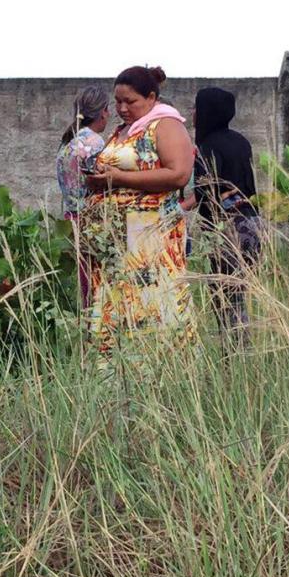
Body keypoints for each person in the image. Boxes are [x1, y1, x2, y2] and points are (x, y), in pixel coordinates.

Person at [82, 66, 195, 360]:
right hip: (116, 242)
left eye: (130, 102)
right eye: (118, 102)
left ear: (152, 97)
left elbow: (179, 174)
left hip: (149, 234)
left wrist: (117, 179)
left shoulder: (165, 125)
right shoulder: (123, 130)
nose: (122, 108)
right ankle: (117, 377)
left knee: (150, 303)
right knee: (117, 303)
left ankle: (158, 375)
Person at [186, 87, 262, 330]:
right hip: (252, 224)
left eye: (197, 107)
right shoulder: (241, 141)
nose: (193, 113)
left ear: (208, 111)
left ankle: (234, 357)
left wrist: (177, 208)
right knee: (239, 295)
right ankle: (240, 355)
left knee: (225, 299)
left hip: (225, 230)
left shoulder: (206, 146)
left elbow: (206, 191)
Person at [56, 86, 109, 219]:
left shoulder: (68, 141)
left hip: (70, 218)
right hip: (90, 219)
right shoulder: (95, 143)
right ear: (103, 112)